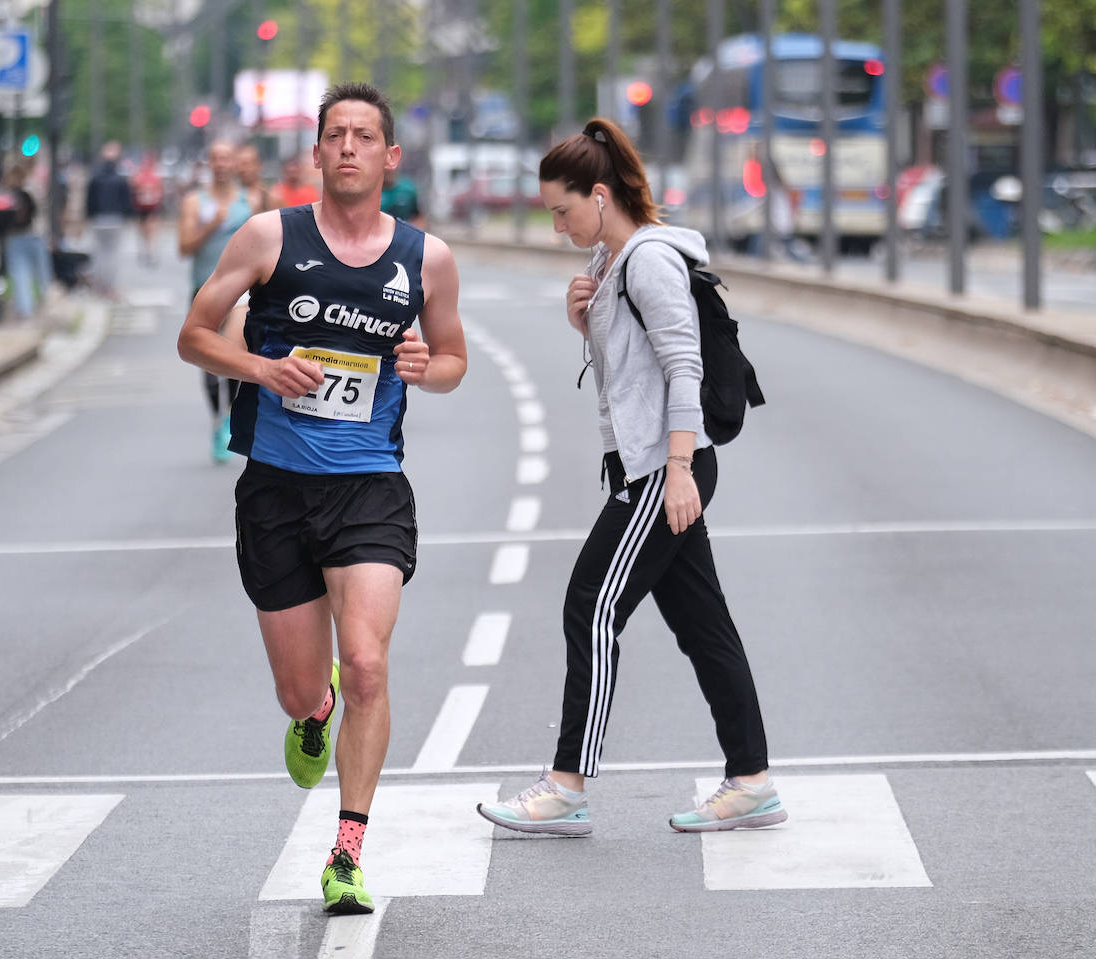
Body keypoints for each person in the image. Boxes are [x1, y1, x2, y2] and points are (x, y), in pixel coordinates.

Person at [177, 81, 467, 915]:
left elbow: (452, 358)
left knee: (372, 662)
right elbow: (195, 334)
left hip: (370, 484)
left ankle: (346, 852)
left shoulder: (426, 258)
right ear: (315, 154)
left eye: (362, 135)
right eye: (334, 134)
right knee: (302, 690)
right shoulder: (270, 236)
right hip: (275, 487)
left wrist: (427, 370)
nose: (347, 147)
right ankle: (317, 710)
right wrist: (261, 368)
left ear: (387, 156)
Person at [477, 118, 786, 837]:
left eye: (563, 209)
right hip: (655, 465)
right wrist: (584, 324)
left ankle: (565, 786)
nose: (557, 226)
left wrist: (678, 469)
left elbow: (685, 366)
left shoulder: (647, 259)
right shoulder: (616, 263)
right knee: (703, 625)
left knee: (590, 606)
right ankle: (752, 781)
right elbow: (639, 370)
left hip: (661, 470)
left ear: (601, 194)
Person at [178, 140, 254, 462]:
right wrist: (209, 226)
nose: (222, 164)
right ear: (209, 163)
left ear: (235, 164)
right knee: (208, 359)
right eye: (216, 159)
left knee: (235, 354)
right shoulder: (195, 202)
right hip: (204, 289)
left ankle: (232, 417)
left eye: (227, 158)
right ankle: (217, 420)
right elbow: (184, 247)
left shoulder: (250, 200)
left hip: (242, 292)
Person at [1, 161, 53, 319]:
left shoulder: (6, 194)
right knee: (42, 275)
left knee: (20, 276)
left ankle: (26, 312)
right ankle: (47, 309)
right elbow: (42, 211)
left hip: (14, 238)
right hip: (34, 235)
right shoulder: (33, 188)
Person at [84, 140, 134, 298]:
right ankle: (110, 287)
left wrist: (90, 216)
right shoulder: (121, 179)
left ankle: (100, 286)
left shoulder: (95, 178)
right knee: (113, 255)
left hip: (98, 219)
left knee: (99, 254)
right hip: (116, 219)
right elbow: (127, 201)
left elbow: (89, 200)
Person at [131, 153, 165, 265]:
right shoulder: (138, 176)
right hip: (141, 207)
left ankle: (150, 251)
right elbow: (134, 190)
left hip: (152, 207)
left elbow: (160, 191)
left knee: (150, 229)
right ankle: (145, 249)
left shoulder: (155, 176)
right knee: (143, 230)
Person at [237, 144, 270, 212]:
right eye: (238, 165)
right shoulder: (233, 195)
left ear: (258, 165)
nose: (241, 169)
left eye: (245, 164)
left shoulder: (269, 196)